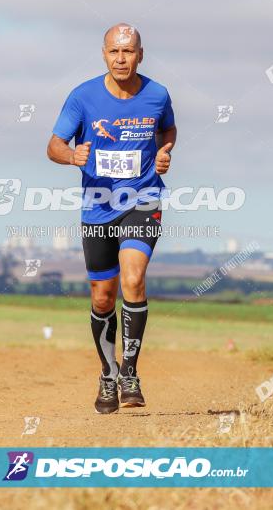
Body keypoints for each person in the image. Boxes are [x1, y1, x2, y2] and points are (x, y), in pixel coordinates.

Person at [46, 23, 176, 414]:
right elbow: (53, 145)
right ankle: (108, 373)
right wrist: (72, 157)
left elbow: (167, 128)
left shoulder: (157, 94)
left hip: (143, 198)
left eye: (129, 52)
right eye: (114, 52)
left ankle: (130, 373)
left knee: (133, 278)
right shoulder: (82, 97)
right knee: (103, 296)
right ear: (104, 54)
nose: (122, 59)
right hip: (97, 205)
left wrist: (165, 151)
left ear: (141, 54)